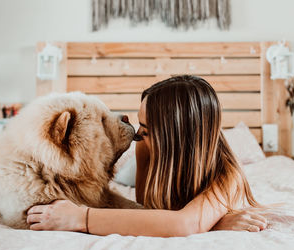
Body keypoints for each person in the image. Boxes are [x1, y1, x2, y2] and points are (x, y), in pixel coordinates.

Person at [27, 75, 267, 237]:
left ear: (177, 139)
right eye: (140, 123)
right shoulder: (143, 146)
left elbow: (185, 224)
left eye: (147, 129)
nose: (137, 134)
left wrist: (82, 218)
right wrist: (212, 222)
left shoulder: (228, 175)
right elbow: (149, 208)